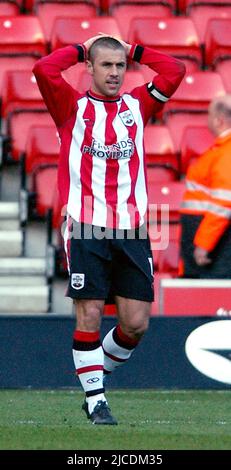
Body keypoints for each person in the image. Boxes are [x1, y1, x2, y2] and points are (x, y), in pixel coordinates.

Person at [33, 34, 185, 425]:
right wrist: (80, 48)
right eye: (106, 65)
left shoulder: (139, 104)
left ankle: (93, 378)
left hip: (133, 230)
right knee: (90, 314)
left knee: (135, 324)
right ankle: (97, 400)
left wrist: (135, 49)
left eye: (120, 66)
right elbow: (43, 69)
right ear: (90, 68)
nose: (115, 73)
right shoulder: (70, 107)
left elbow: (176, 70)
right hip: (86, 226)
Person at [180, 94, 231, 279]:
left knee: (209, 302)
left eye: (209, 115)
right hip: (211, 243)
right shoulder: (221, 150)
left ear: (219, 120)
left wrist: (203, 244)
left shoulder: (226, 152)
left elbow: (224, 203)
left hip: (216, 249)